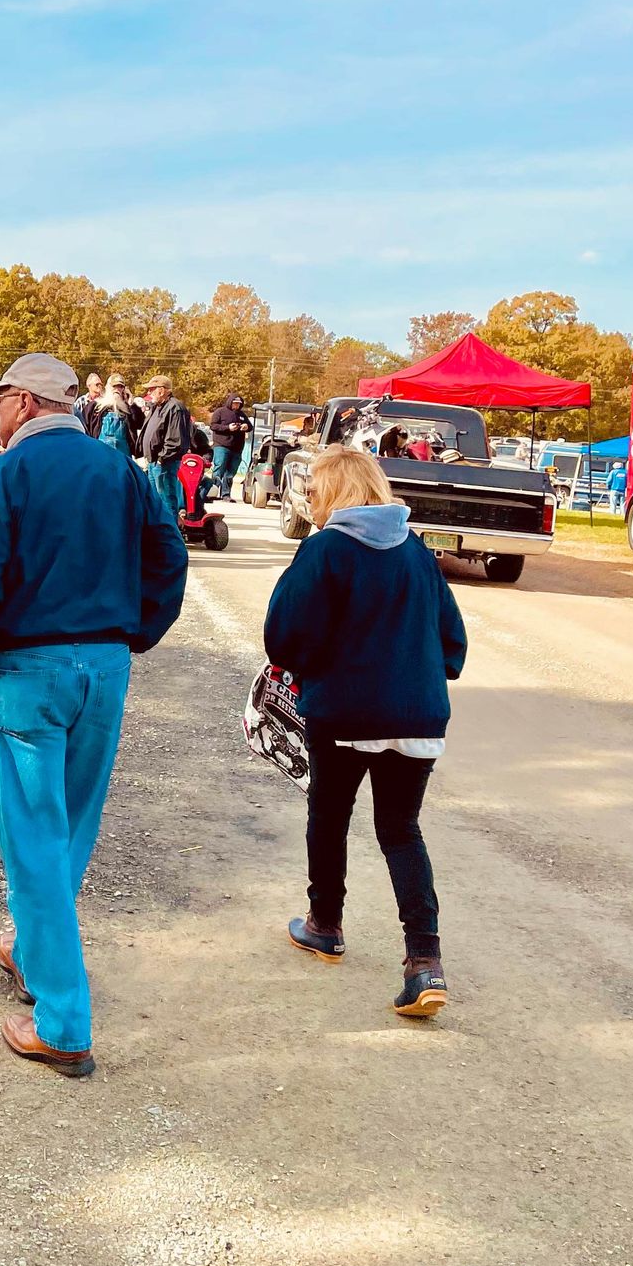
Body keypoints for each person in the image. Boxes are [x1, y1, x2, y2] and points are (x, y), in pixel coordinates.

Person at [0, 353, 188, 1078]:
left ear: (21, 402)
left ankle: (64, 1022)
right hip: (104, 664)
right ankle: (32, 943)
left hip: (27, 665)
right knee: (71, 822)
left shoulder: (0, 477)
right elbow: (169, 558)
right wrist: (134, 631)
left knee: (34, 835)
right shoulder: (123, 474)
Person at [264, 445, 467, 1020]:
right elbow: (452, 641)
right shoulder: (418, 553)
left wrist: (310, 666)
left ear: (330, 493)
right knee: (401, 830)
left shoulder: (324, 549)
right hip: (418, 714)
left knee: (329, 815)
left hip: (345, 713)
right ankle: (424, 962)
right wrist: (423, 674)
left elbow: (283, 637)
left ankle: (324, 924)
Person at [139, 374, 194, 523]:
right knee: (154, 501)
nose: (149, 393)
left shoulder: (175, 408)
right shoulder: (158, 407)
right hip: (153, 462)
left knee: (166, 500)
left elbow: (175, 439)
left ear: (162, 390)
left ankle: (169, 536)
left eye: (151, 390)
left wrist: (162, 458)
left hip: (164, 463)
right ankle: (158, 535)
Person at [208, 392, 250, 501]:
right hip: (222, 445)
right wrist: (228, 428)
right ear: (230, 402)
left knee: (231, 472)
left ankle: (226, 494)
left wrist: (246, 426)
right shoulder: (220, 412)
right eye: (234, 403)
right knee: (219, 468)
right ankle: (213, 491)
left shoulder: (242, 415)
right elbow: (213, 426)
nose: (236, 405)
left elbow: (250, 426)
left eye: (238, 404)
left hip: (237, 448)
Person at [97, 374, 139, 458]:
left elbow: (139, 423)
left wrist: (131, 402)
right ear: (108, 387)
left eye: (120, 387)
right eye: (114, 386)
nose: (117, 389)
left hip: (123, 453)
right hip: (102, 452)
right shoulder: (96, 407)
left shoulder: (128, 409)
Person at [74, 372, 104, 437]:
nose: (99, 386)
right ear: (89, 385)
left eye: (101, 384)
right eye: (97, 384)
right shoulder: (81, 401)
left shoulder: (105, 402)